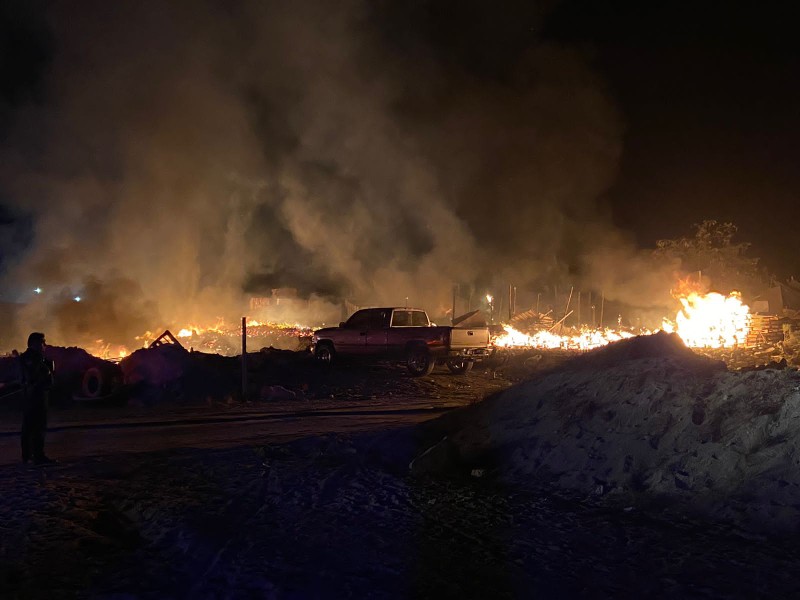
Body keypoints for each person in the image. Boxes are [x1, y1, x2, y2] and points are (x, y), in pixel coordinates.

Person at [20, 332, 56, 465]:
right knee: (37, 426)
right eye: (42, 342)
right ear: (35, 343)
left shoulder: (32, 358)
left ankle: (28, 456)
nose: (45, 345)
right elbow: (35, 376)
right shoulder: (32, 358)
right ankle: (37, 456)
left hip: (33, 395)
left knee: (30, 426)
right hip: (35, 396)